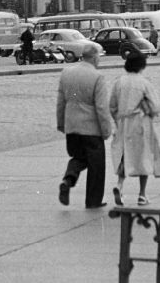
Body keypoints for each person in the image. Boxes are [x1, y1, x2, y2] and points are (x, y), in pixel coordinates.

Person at [56, 42, 112, 209]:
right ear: (94, 58)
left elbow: (61, 102)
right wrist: (106, 129)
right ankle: (93, 201)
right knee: (96, 165)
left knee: (79, 157)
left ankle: (68, 180)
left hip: (72, 125)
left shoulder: (67, 73)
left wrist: (61, 123)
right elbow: (101, 107)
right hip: (91, 128)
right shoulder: (97, 77)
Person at [109, 53, 160, 207]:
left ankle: (120, 185)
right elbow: (155, 106)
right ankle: (142, 194)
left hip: (123, 123)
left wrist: (117, 120)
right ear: (142, 66)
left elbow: (112, 105)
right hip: (140, 123)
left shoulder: (119, 82)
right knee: (143, 156)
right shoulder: (144, 83)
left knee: (124, 155)